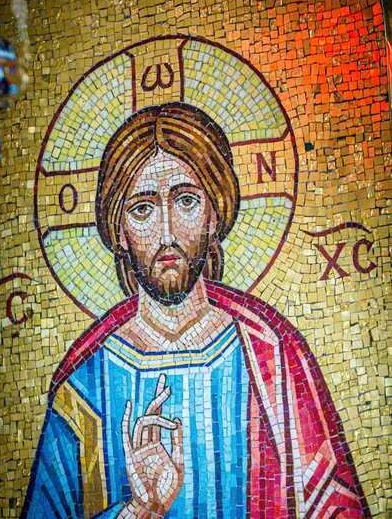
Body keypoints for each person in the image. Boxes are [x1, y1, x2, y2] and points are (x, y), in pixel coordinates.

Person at [21, 103, 370, 519]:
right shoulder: (83, 387)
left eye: (185, 200)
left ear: (213, 215)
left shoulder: (273, 359)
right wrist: (140, 510)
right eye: (142, 209)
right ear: (120, 231)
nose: (167, 233)